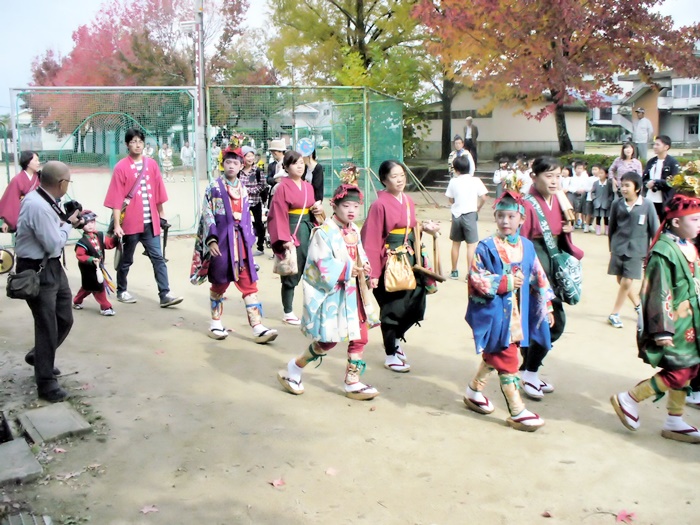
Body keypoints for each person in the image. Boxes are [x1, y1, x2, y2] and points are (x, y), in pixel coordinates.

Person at [611, 188, 700, 444]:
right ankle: (630, 398)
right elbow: (657, 291)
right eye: (694, 219)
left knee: (690, 367)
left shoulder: (689, 246)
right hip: (676, 324)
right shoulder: (664, 251)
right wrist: (661, 328)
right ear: (676, 222)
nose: (699, 224)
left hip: (691, 322)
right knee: (679, 370)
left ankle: (674, 419)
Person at [277, 184, 379, 400]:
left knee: (361, 336)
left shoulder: (354, 230)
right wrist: (348, 270)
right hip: (335, 293)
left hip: (355, 292)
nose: (351, 210)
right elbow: (319, 263)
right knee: (327, 341)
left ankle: (352, 381)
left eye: (356, 206)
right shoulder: (323, 232)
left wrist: (365, 266)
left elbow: (360, 253)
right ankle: (295, 366)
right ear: (334, 205)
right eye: (346, 205)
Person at [464, 188, 554, 431]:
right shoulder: (485, 247)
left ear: (521, 219)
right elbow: (475, 277)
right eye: (500, 215)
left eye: (511, 216)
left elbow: (538, 275)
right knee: (508, 358)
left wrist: (546, 306)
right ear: (494, 217)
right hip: (497, 313)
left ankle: (473, 391)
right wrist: (505, 282)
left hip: (519, 312)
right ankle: (517, 410)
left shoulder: (527, 246)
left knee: (496, 353)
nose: (505, 221)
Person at [190, 147, 278, 343]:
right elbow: (207, 214)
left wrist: (249, 239)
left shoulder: (243, 189)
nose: (231, 166)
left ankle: (257, 326)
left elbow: (246, 217)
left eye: (235, 163)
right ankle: (215, 322)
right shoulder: (213, 187)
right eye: (228, 162)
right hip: (222, 241)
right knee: (219, 282)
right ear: (223, 164)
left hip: (241, 243)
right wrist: (212, 239)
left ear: (241, 166)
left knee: (249, 283)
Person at [360, 160, 440, 373]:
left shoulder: (407, 200)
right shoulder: (379, 205)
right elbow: (371, 239)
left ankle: (395, 340)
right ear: (384, 180)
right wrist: (373, 273)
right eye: (394, 176)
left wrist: (425, 227)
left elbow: (410, 227)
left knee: (416, 301)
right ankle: (390, 353)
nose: (400, 179)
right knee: (393, 308)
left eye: (402, 175)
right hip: (389, 262)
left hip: (409, 259)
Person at [15, 161, 82, 402]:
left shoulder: (46, 200)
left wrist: (65, 220)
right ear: (61, 183)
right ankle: (46, 384)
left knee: (64, 318)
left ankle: (39, 356)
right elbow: (53, 244)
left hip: (51, 266)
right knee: (46, 324)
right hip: (37, 269)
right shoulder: (38, 206)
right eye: (68, 181)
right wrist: (69, 225)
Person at [519, 157, 584, 399]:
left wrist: (566, 230)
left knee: (548, 322)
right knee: (547, 321)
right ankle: (529, 372)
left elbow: (559, 232)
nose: (554, 181)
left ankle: (528, 370)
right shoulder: (526, 205)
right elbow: (520, 242)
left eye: (558, 176)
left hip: (552, 266)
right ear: (534, 177)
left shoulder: (558, 200)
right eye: (548, 176)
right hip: (535, 271)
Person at [104, 128, 183, 308]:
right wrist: (117, 225)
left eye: (140, 141)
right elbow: (116, 199)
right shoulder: (121, 167)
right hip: (130, 223)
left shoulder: (152, 165)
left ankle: (165, 294)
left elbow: (158, 192)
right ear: (127, 145)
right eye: (133, 142)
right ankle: (121, 290)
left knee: (158, 258)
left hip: (150, 223)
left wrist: (162, 216)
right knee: (126, 259)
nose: (137, 145)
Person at [267, 150, 323, 325]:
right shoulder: (282, 187)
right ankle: (288, 311)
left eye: (301, 163)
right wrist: (284, 238)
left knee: (312, 269)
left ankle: (311, 308)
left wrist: (317, 210)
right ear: (285, 167)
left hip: (308, 229)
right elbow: (277, 214)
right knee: (291, 270)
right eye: (294, 163)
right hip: (292, 230)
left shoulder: (308, 186)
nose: (299, 166)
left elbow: (313, 209)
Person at [606, 172, 659, 329]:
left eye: (627, 185)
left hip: (637, 250)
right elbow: (612, 227)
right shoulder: (617, 204)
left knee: (627, 281)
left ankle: (614, 313)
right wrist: (612, 247)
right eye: (622, 185)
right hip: (618, 247)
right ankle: (638, 305)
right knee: (620, 280)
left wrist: (653, 250)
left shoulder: (647, 205)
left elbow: (654, 230)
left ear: (637, 188)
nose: (623, 188)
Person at [445, 155, 488, 280]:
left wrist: (456, 202)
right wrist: (478, 207)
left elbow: (450, 199)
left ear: (456, 169)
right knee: (471, 246)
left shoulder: (453, 181)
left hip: (457, 215)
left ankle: (454, 271)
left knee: (455, 244)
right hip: (470, 214)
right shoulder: (475, 180)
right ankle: (469, 273)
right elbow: (484, 197)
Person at [73, 210, 118, 316]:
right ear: (81, 225)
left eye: (92, 222)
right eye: (87, 223)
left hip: (98, 268)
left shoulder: (100, 235)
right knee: (98, 287)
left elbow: (109, 244)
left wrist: (116, 237)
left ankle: (77, 301)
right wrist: (91, 259)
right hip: (88, 269)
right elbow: (80, 255)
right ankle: (105, 307)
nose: (90, 225)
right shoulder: (82, 242)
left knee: (87, 287)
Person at [0, 151, 40, 233]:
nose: (38, 163)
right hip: (23, 218)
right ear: (28, 162)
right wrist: (7, 221)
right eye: (36, 160)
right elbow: (11, 201)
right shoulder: (17, 180)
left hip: (39, 216)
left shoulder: (40, 178)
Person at [643, 135, 681, 220]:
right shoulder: (651, 161)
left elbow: (674, 181)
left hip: (664, 200)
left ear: (666, 147)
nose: (654, 147)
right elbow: (644, 178)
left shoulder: (673, 163)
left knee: (664, 222)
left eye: (657, 144)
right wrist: (647, 184)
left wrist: (656, 182)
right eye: (654, 144)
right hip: (649, 198)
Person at [240, 146, 268, 255]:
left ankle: (260, 247)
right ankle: (244, 246)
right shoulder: (239, 171)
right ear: (243, 157)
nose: (250, 158)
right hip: (243, 202)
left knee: (259, 223)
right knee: (243, 223)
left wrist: (251, 191)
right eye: (248, 156)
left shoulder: (257, 171)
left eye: (252, 156)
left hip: (256, 201)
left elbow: (263, 185)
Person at [590, 164, 615, 235]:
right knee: (598, 216)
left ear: (606, 174)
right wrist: (594, 199)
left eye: (602, 173)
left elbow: (611, 193)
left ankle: (607, 229)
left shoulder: (609, 184)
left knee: (606, 217)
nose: (600, 175)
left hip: (606, 203)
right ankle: (598, 229)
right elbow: (593, 192)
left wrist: (609, 201)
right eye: (599, 173)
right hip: (597, 202)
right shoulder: (595, 183)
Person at [570, 160, 590, 230]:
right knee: (574, 209)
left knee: (583, 209)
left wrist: (583, 189)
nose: (579, 170)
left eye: (581, 168)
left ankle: (583, 223)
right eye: (578, 168)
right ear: (575, 169)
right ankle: (575, 223)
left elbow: (587, 185)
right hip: (574, 194)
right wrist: (576, 190)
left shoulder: (585, 176)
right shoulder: (572, 177)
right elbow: (570, 187)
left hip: (583, 194)